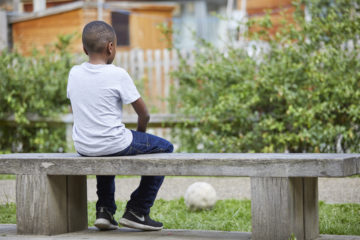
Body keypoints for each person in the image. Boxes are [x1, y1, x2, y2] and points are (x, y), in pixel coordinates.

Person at [66, 20, 174, 231]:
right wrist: (139, 136)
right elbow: (144, 114)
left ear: (84, 48)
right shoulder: (117, 74)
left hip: (84, 146)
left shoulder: (74, 73)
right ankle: (138, 210)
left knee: (104, 149)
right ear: (110, 47)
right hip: (114, 141)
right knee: (166, 148)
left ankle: (104, 211)